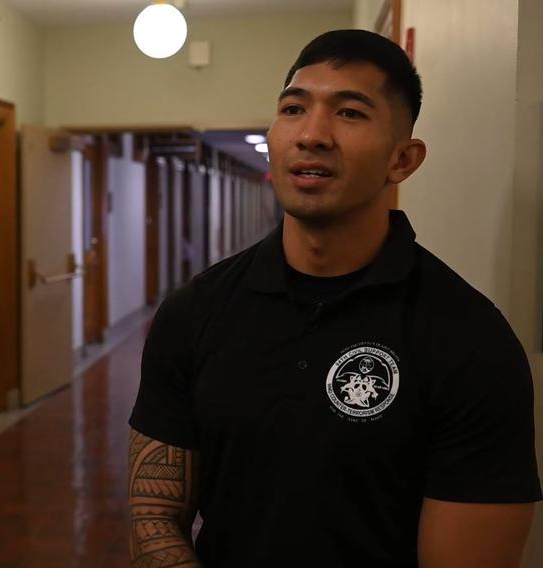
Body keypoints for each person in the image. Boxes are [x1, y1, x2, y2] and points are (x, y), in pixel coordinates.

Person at [128, 29, 541, 568]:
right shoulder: (195, 312)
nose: (312, 134)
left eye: (349, 113)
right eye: (294, 108)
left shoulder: (469, 339)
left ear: (403, 160)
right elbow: (154, 515)